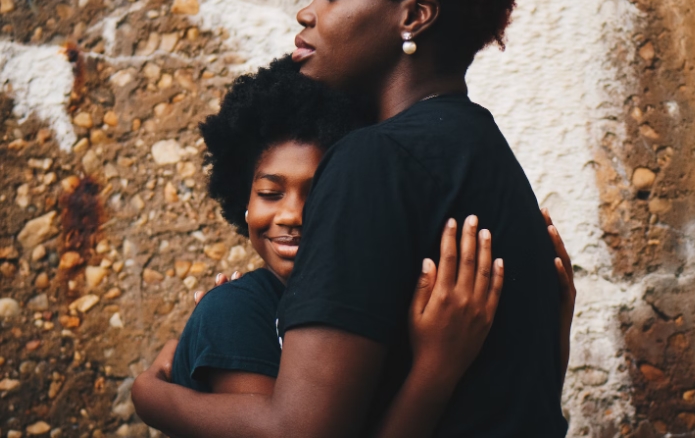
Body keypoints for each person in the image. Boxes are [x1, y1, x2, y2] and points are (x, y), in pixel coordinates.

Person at [133, 0, 574, 436]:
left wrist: (150, 397)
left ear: (413, 16)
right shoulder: (484, 152)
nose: (308, 12)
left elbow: (303, 430)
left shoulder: (373, 160)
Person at [170, 56, 505, 438]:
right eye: (270, 193)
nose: (292, 214)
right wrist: (435, 369)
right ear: (243, 202)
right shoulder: (235, 310)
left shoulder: (375, 306)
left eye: (320, 193)